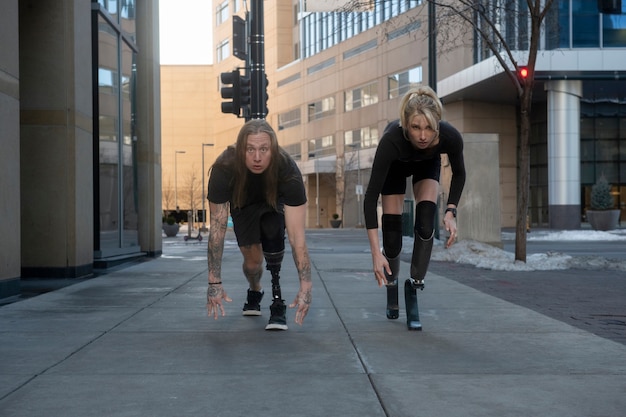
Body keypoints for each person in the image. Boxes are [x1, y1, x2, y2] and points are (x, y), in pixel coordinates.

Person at [363, 86, 466, 331]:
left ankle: (414, 285)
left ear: (437, 125)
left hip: (426, 165)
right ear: (406, 124)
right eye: (416, 127)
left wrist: (451, 211)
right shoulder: (391, 140)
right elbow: (370, 198)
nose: (422, 135)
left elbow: (460, 173)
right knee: (392, 235)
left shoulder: (450, 137)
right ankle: (391, 282)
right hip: (395, 168)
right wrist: (375, 254)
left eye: (429, 128)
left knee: (426, 221)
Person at [205, 119, 312, 331]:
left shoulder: (288, 171)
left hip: (273, 201)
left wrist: (306, 286)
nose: (257, 157)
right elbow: (217, 231)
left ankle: (277, 298)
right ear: (240, 150)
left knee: (273, 229)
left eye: (264, 149)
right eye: (250, 149)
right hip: (242, 205)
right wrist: (214, 282)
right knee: (253, 264)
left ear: (273, 150)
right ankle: (255, 289)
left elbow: (297, 237)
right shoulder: (224, 168)